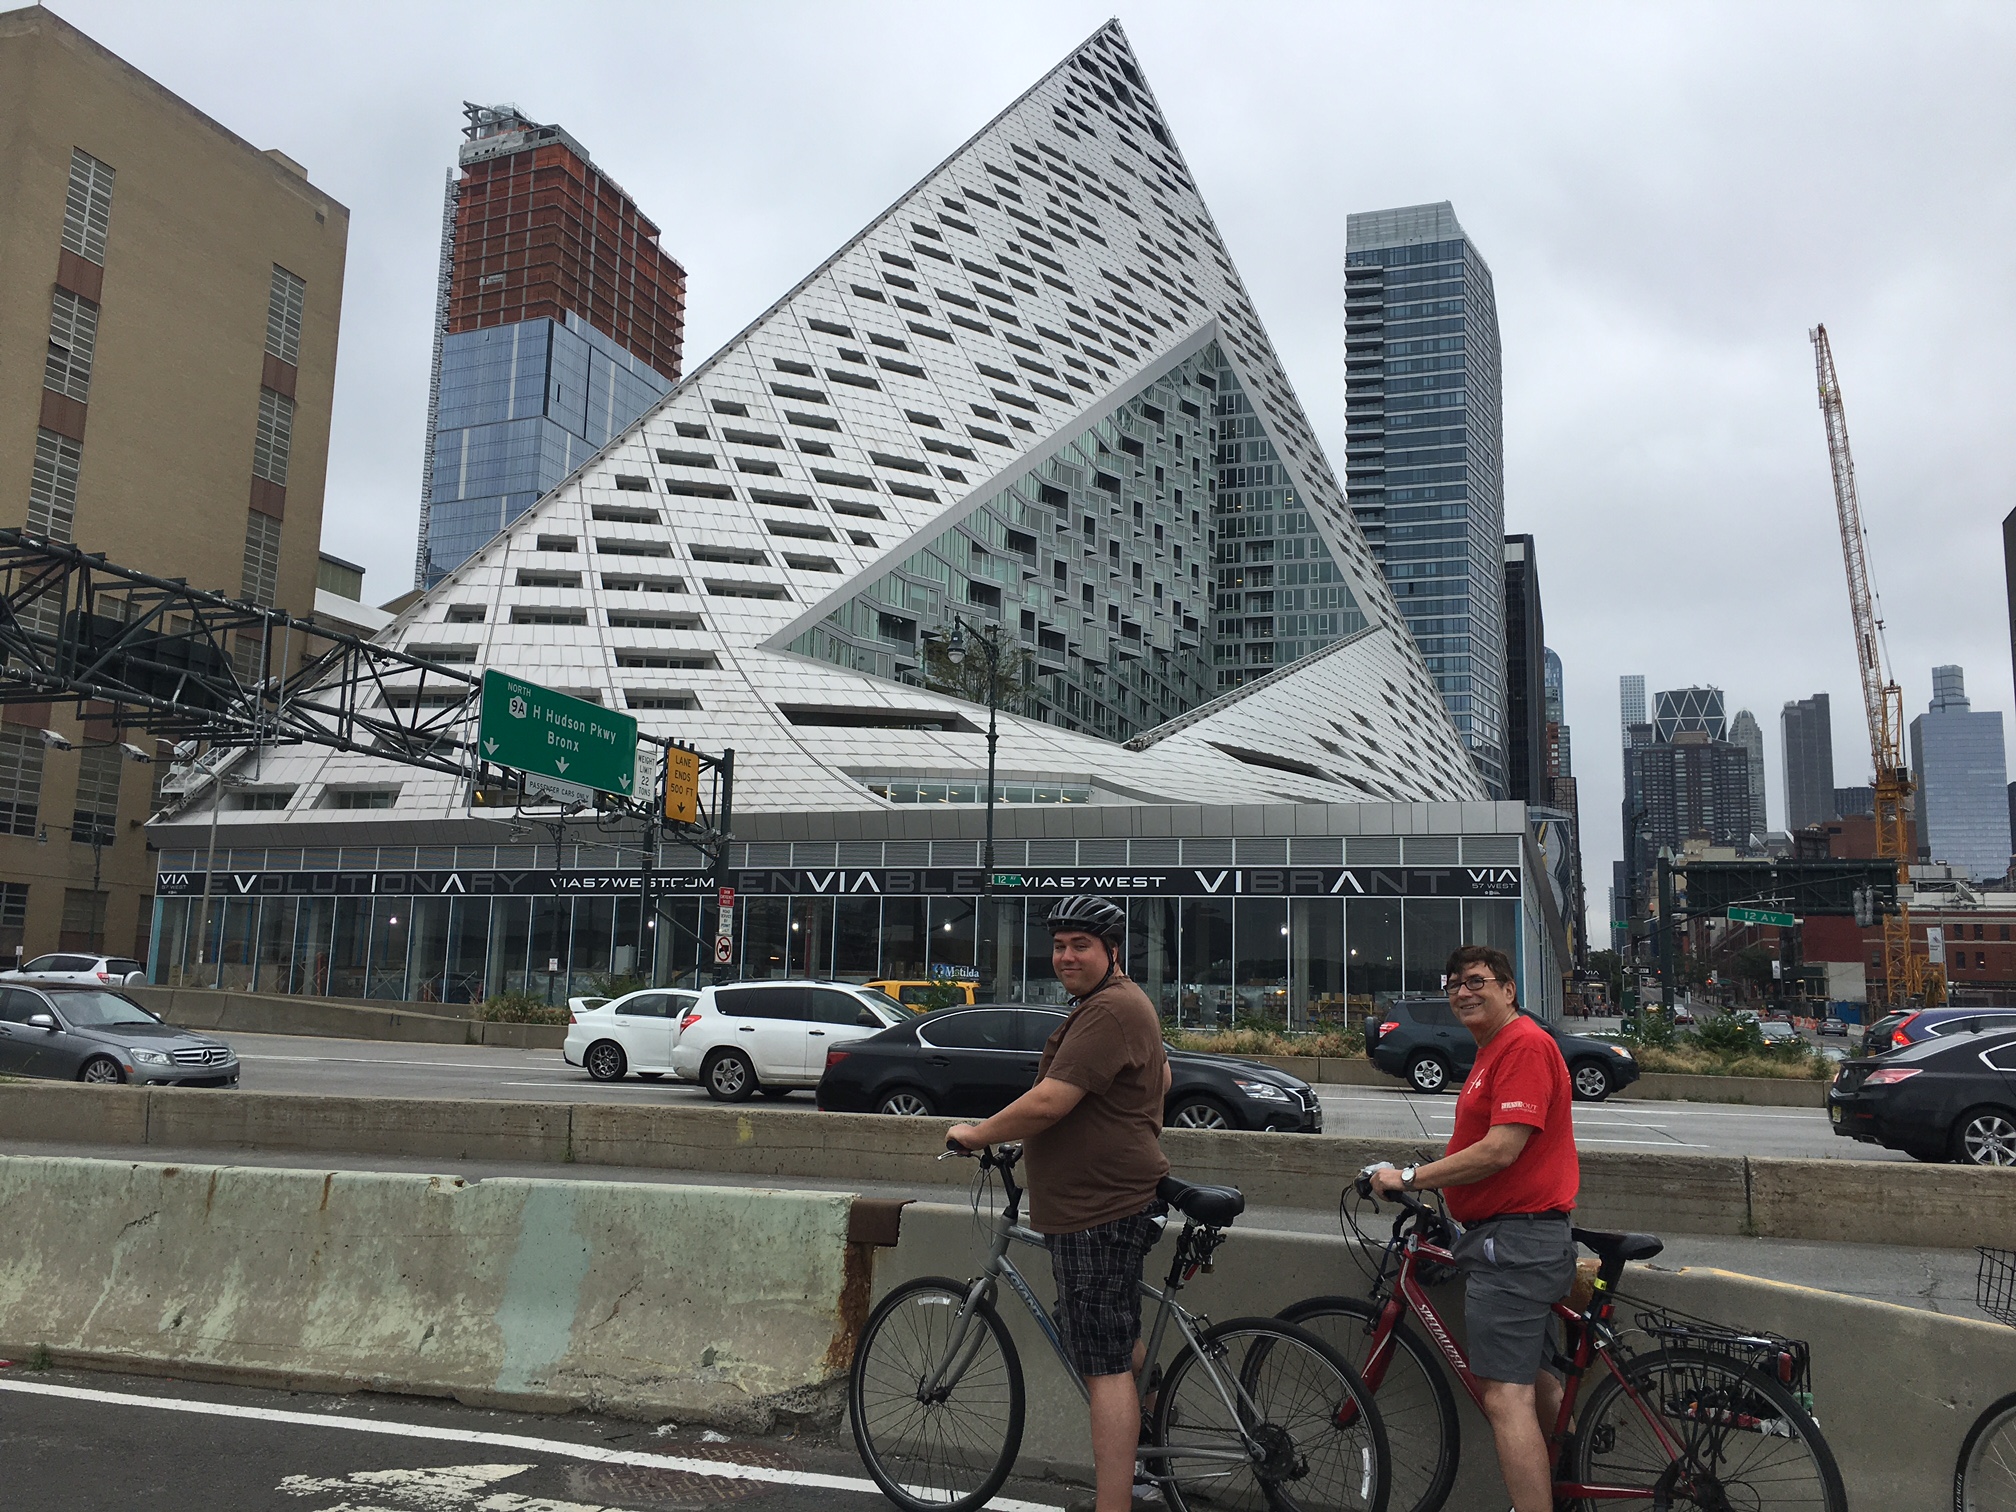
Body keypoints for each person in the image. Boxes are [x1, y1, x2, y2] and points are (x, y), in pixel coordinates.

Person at [948, 895, 1171, 1512]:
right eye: (1060, 945)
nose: (1066, 956)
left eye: (1082, 945)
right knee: (1108, 1337)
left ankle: (1114, 1504)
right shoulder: (1116, 1006)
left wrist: (977, 1132)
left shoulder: (1109, 1009)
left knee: (1103, 1364)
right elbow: (1162, 1078)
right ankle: (1152, 1452)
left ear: (1112, 951)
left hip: (1099, 1211)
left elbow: (1049, 1101)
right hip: (1107, 1200)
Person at [1370, 944, 1579, 1512]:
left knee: (1504, 1398)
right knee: (1537, 1381)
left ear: (1509, 990)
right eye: (1455, 982)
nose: (1464, 990)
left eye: (1478, 980)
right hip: (1515, 1238)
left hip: (1513, 1244)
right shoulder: (1491, 1050)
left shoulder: (1523, 1046)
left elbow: (1500, 1150)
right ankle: (1571, 1485)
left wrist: (1411, 1176)